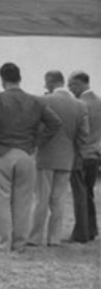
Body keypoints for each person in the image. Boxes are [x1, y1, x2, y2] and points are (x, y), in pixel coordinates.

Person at [0, 62, 61, 253]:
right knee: (23, 202)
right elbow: (55, 122)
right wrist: (37, 142)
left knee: (2, 200)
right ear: (20, 78)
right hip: (26, 154)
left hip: (1, 153)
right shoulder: (36, 101)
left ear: (2, 79)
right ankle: (19, 243)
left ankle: (2, 242)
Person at [27, 70, 89, 247]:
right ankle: (54, 238)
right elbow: (84, 135)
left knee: (41, 199)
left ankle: (35, 237)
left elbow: (34, 126)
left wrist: (36, 143)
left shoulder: (43, 101)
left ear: (51, 84)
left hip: (45, 155)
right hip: (67, 158)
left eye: (46, 84)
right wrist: (74, 151)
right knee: (59, 200)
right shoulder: (80, 105)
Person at [67, 71, 101, 243]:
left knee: (80, 195)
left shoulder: (79, 104)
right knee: (89, 193)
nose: (70, 89)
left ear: (80, 84)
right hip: (95, 154)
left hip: (80, 155)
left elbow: (75, 131)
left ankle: (81, 233)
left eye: (71, 85)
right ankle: (91, 229)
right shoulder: (99, 102)